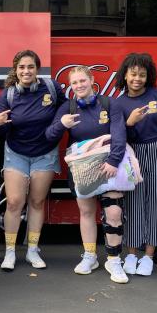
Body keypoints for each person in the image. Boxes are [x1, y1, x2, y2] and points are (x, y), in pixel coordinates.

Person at [45, 66, 127, 283]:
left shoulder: (110, 104)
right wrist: (62, 125)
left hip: (109, 166)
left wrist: (113, 161)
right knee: (86, 212)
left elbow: (119, 134)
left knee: (114, 213)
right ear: (70, 87)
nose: (79, 85)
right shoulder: (68, 107)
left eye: (83, 80)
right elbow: (49, 135)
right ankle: (90, 256)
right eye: (74, 83)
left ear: (92, 80)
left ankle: (114, 259)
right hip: (82, 169)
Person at [0, 50, 65, 271]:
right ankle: (10, 252)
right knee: (14, 202)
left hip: (45, 153)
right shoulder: (9, 94)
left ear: (37, 69)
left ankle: (33, 250)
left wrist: (57, 126)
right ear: (16, 70)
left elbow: (65, 105)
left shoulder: (51, 88)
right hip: (16, 153)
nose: (26, 71)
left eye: (30, 67)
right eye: (22, 67)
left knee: (36, 202)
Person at [114, 53, 157, 277]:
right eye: (133, 74)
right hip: (131, 154)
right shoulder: (118, 103)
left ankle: (149, 256)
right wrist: (130, 123)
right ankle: (131, 254)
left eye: (142, 74)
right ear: (125, 75)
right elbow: (119, 135)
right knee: (132, 203)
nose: (137, 78)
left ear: (148, 76)